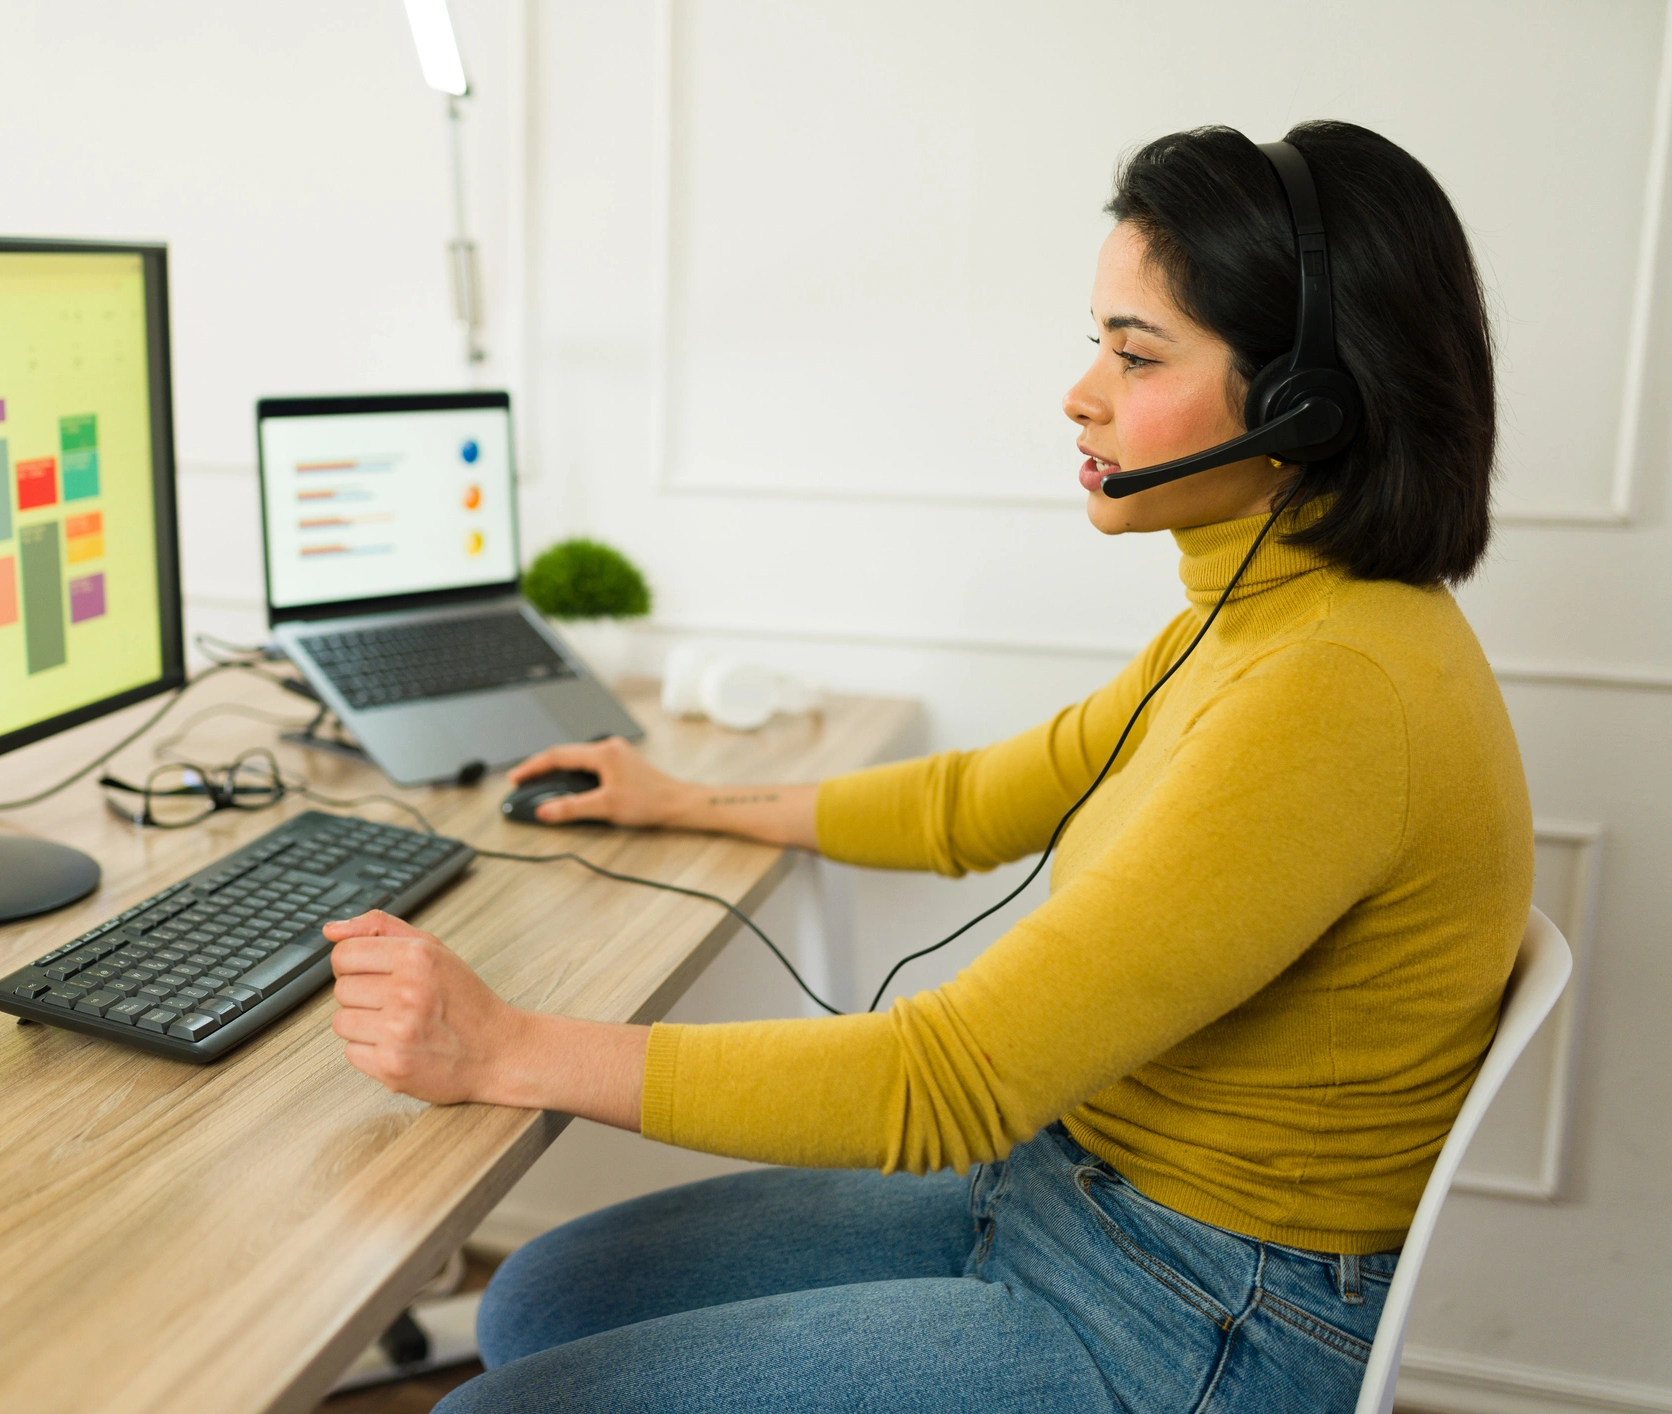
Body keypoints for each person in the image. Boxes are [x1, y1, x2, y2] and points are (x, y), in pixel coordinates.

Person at [320, 121, 1532, 1414]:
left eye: (1136, 353)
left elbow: (940, 1082)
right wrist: (684, 797)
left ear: (1306, 405)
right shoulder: (1253, 618)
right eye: (1096, 342)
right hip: (1069, 1186)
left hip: (1196, 1314)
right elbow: (978, 800)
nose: (1083, 393)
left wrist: (506, 1047)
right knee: (533, 1298)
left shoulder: (1333, 691)